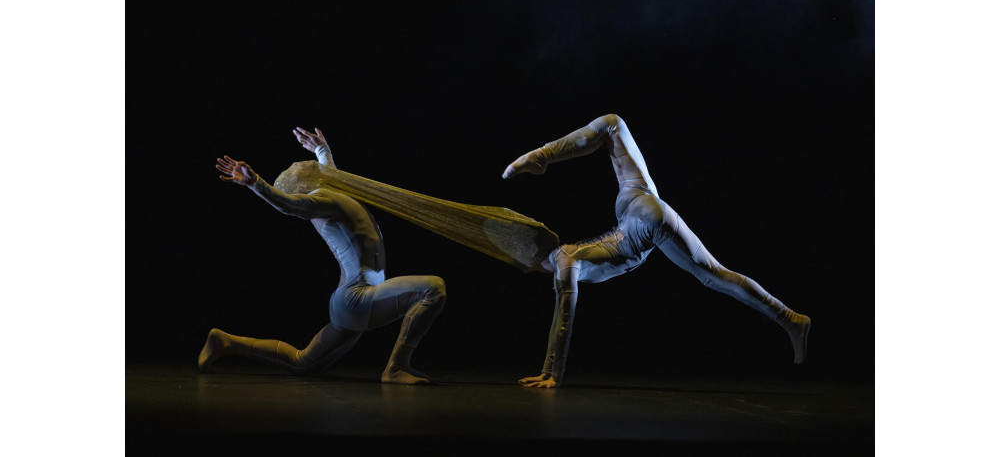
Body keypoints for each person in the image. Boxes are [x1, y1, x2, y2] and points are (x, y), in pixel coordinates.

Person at [501, 114, 811, 388]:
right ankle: (541, 156)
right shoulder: (570, 256)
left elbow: (564, 317)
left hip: (644, 222)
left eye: (523, 264)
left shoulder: (565, 261)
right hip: (636, 203)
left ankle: (789, 319)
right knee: (612, 124)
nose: (525, 269)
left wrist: (551, 373)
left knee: (713, 276)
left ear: (533, 260)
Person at [198, 127, 446, 385]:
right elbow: (288, 204)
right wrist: (255, 183)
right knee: (433, 289)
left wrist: (321, 150)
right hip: (358, 298)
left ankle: (224, 341)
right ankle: (397, 367)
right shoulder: (321, 200)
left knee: (302, 363)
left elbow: (330, 175)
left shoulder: (335, 194)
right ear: (311, 184)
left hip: (353, 300)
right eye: (313, 168)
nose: (318, 169)